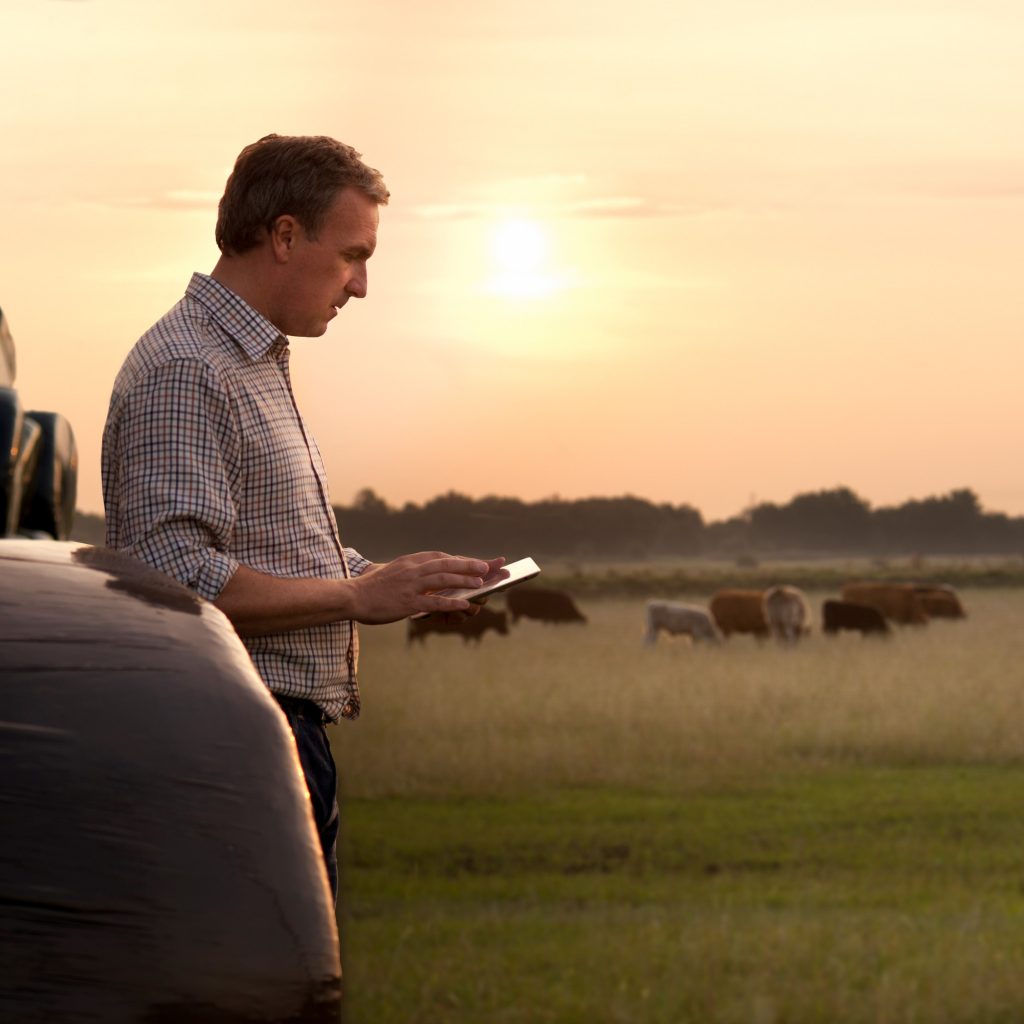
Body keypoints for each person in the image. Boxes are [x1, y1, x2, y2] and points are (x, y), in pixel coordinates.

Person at [101, 134, 503, 899]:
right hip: (231, 742)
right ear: (284, 236)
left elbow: (261, 556)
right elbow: (173, 584)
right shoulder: (190, 369)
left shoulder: (244, 363)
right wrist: (353, 598)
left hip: (264, 739)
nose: (359, 287)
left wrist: (394, 583)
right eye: (353, 256)